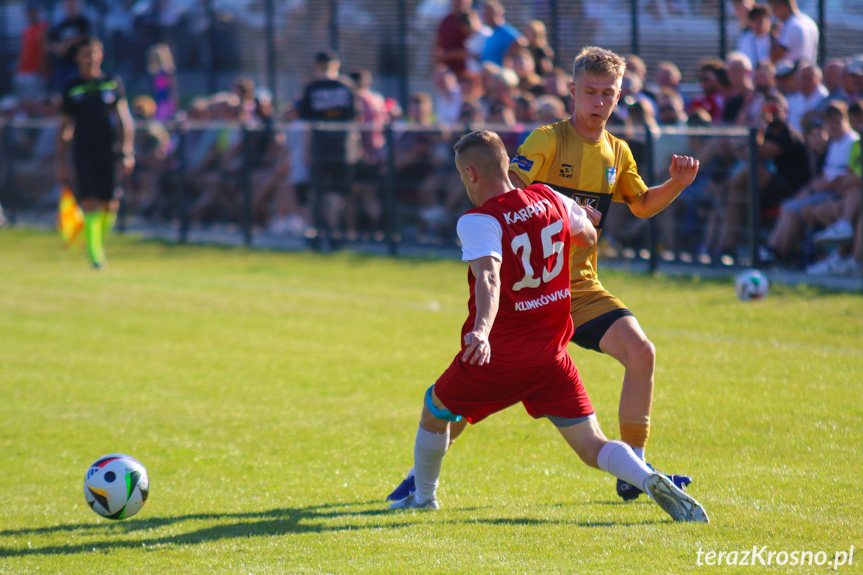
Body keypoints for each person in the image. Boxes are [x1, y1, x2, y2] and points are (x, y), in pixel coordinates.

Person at [388, 47, 700, 504]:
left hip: (581, 288)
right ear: (572, 92)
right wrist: (571, 213)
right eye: (589, 92)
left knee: (641, 351)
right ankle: (419, 477)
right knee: (464, 406)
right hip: (535, 289)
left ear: (619, 97)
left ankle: (635, 465)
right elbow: (509, 191)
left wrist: (676, 184)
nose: (598, 101)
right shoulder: (547, 140)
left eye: (607, 94)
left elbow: (642, 204)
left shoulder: (618, 151)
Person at [56, 37, 135, 269]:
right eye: (85, 54)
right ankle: (95, 254)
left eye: (94, 53)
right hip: (84, 150)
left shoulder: (111, 83)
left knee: (110, 204)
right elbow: (64, 127)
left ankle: (97, 241)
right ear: (78, 58)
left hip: (108, 149)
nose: (90, 59)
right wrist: (61, 161)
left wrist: (127, 150)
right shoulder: (72, 86)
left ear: (101, 55)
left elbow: (124, 118)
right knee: (90, 200)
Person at [48, 0, 90, 92]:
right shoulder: (61, 24)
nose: (70, 8)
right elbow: (51, 43)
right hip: (62, 64)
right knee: (59, 90)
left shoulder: (82, 22)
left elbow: (84, 38)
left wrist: (66, 44)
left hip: (77, 64)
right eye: (68, 5)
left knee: (75, 90)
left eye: (72, 5)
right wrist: (57, 48)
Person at [768, 0, 819, 66]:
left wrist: (772, 36)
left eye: (775, 10)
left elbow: (775, 58)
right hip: (808, 69)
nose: (775, 15)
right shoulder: (810, 22)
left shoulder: (791, 25)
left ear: (783, 7)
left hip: (791, 74)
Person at [15, 4, 48, 100]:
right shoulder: (26, 30)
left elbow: (44, 49)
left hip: (36, 71)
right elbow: (23, 50)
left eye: (33, 12)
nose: (31, 15)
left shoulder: (43, 27)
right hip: (23, 71)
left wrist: (42, 67)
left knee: (36, 101)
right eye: (29, 13)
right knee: (23, 100)